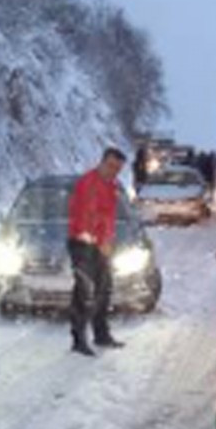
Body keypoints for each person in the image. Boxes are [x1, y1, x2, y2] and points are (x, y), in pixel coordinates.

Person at [68, 147, 127, 356]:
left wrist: (107, 240)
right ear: (101, 162)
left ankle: (101, 335)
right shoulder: (89, 183)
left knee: (104, 290)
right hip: (83, 244)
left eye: (118, 169)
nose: (113, 171)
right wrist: (99, 241)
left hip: (101, 245)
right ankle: (78, 339)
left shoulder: (111, 185)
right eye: (111, 166)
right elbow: (85, 217)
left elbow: (107, 218)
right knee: (85, 292)